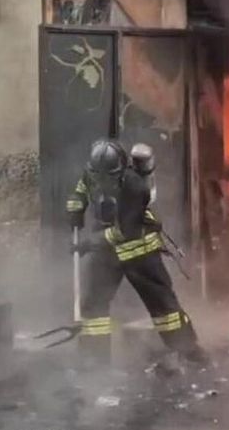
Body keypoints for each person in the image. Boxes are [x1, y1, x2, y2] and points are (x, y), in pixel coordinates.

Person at [65, 139, 206, 364]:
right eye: (99, 177)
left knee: (163, 307)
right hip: (106, 252)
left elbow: (125, 232)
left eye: (109, 178)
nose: (103, 182)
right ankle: (94, 362)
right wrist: (76, 205)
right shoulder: (95, 172)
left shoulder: (134, 187)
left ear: (121, 170)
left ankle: (189, 351)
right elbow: (83, 186)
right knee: (93, 304)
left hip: (139, 252)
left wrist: (89, 243)